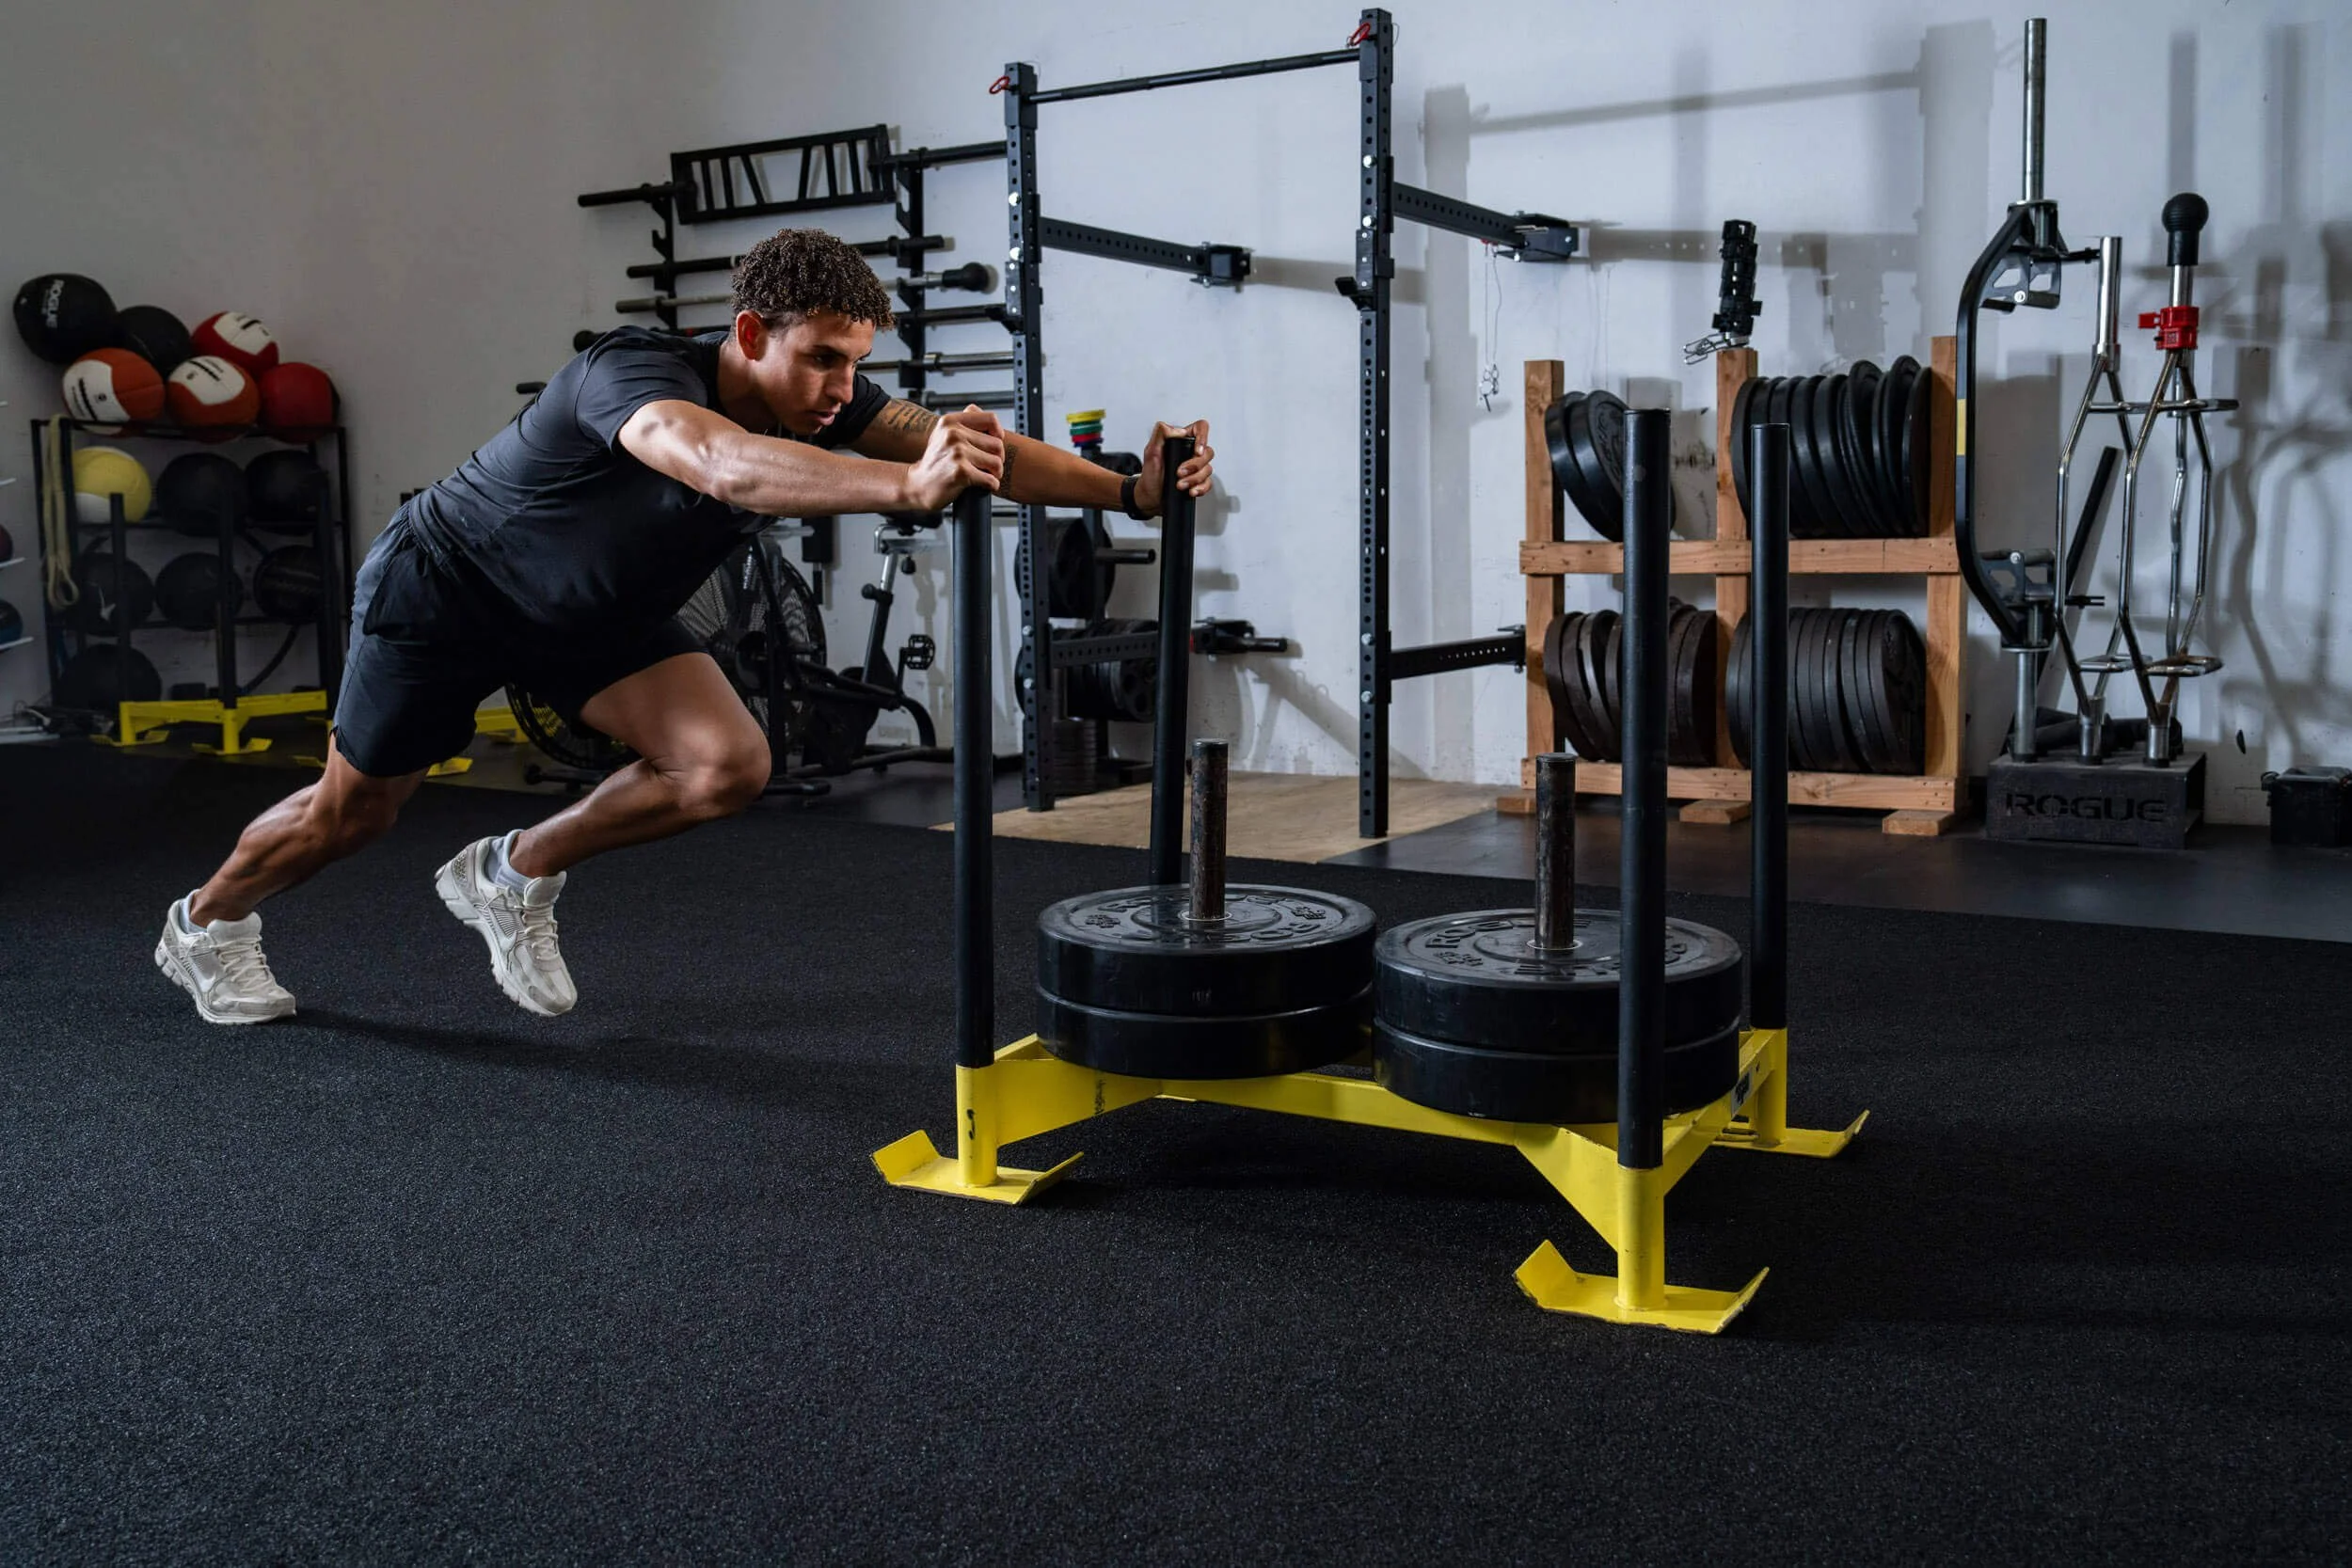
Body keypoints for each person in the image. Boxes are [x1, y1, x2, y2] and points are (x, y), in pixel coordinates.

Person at [155, 228, 1216, 1025]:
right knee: (356, 815)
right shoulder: (632, 373)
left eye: (853, 363)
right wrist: (903, 488)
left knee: (724, 764)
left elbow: (965, 445)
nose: (843, 387)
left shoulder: (825, 404)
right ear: (748, 333)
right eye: (820, 360)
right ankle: (206, 924)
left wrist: (1127, 490)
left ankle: (511, 870)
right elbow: (712, 460)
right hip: (448, 588)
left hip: (590, 613)